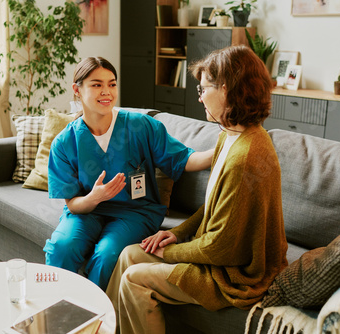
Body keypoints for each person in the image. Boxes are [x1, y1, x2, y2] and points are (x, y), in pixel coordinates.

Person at [106, 45, 289, 333]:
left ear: (227, 89)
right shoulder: (229, 135)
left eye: (204, 89)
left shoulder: (247, 156)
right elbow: (216, 205)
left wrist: (172, 252)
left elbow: (221, 248)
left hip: (232, 274)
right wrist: (176, 233)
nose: (200, 97)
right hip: (216, 256)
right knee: (129, 253)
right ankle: (107, 328)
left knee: (133, 278)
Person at [44, 56, 215, 291]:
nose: (107, 91)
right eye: (97, 84)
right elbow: (73, 204)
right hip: (88, 210)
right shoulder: (65, 142)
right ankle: (59, 308)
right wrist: (95, 197)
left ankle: (97, 318)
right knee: (62, 247)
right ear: (77, 89)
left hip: (136, 211)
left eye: (112, 84)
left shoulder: (141, 126)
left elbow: (182, 158)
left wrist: (221, 150)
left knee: (107, 254)